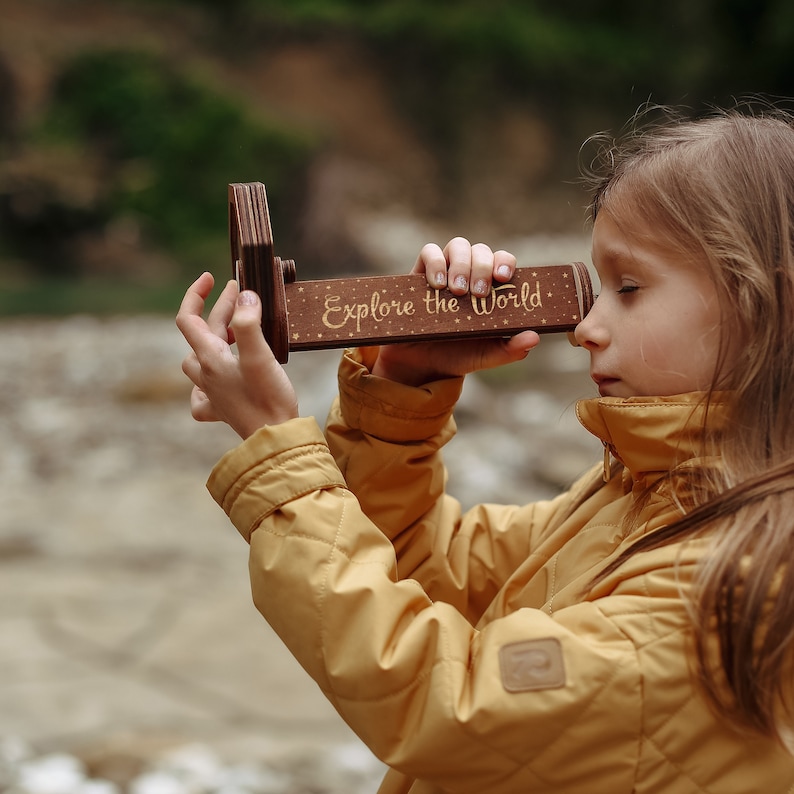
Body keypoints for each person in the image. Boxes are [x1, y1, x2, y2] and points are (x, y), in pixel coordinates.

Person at [176, 107, 794, 793]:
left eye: (628, 287)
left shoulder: (735, 580)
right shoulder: (646, 496)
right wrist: (404, 385)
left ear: (766, 304)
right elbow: (429, 573)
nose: (585, 327)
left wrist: (277, 454)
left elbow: (452, 705)